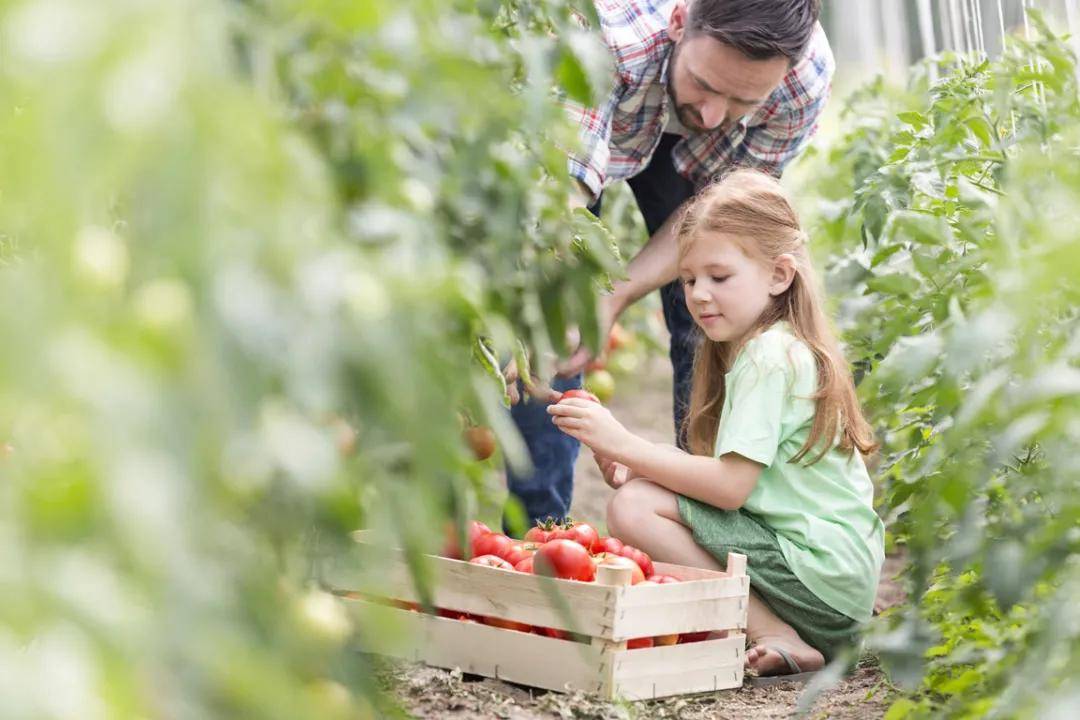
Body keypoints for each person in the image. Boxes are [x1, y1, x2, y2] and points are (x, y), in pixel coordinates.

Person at [504, 0, 835, 530]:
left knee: (715, 310)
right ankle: (537, 530)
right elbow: (560, 197)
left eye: (741, 100)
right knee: (550, 318)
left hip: (707, 174)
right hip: (622, 100)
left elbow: (724, 217)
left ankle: (701, 524)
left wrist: (615, 294)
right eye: (704, 83)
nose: (709, 116)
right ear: (680, 22)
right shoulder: (607, 36)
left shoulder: (800, 83)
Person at [547, 169, 884, 680]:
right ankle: (787, 629)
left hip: (819, 585)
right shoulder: (782, 346)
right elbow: (744, 486)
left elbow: (729, 488)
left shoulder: (768, 358)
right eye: (688, 280)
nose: (699, 294)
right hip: (835, 586)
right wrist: (641, 464)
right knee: (643, 492)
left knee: (633, 509)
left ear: (779, 274)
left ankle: (774, 630)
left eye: (718, 277)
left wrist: (626, 444)